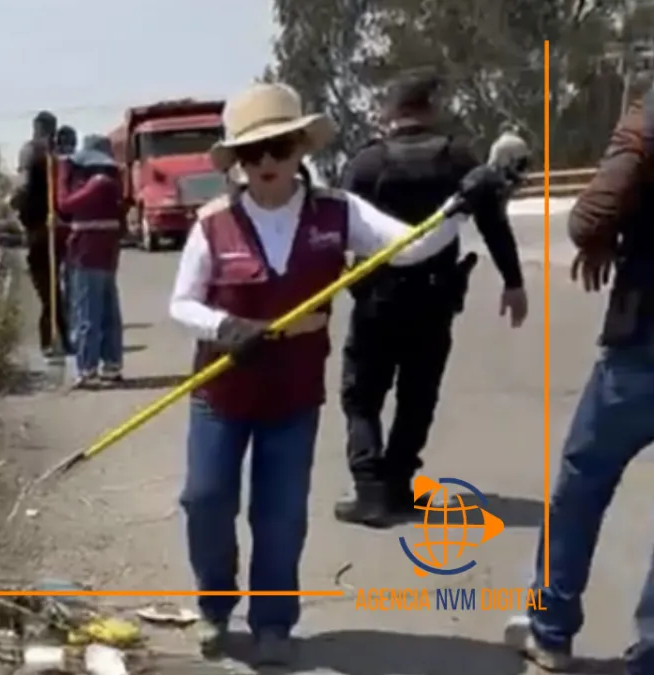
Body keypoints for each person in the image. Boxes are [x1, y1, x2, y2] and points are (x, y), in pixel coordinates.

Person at [168, 82, 504, 664]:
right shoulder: (213, 223)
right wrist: (224, 327)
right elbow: (182, 303)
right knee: (205, 500)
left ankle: (274, 622)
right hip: (221, 393)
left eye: (279, 147)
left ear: (301, 146)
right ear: (238, 163)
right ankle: (215, 605)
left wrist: (460, 207)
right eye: (252, 154)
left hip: (292, 396)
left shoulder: (337, 212)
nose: (267, 163)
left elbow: (411, 247)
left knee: (279, 515)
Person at [333, 69, 529, 527]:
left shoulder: (365, 165)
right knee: (418, 394)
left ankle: (370, 490)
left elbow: (334, 229)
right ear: (429, 109)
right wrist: (513, 281)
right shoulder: (458, 159)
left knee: (362, 396)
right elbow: (493, 223)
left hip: (377, 301)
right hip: (435, 299)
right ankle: (399, 486)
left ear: (391, 112)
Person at [504, 85, 654, 674]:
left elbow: (591, 213)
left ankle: (551, 628)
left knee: (582, 483)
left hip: (644, 341)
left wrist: (597, 241)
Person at [57, 134, 125, 387]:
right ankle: (111, 364)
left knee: (87, 311)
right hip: (104, 254)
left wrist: (63, 174)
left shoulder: (98, 184)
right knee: (107, 311)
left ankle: (87, 367)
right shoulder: (111, 184)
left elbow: (64, 204)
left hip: (87, 254)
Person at [11, 110, 71, 357]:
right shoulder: (53, 155)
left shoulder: (31, 152)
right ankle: (59, 339)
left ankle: (51, 341)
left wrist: (15, 206)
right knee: (53, 288)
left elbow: (23, 187)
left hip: (38, 229)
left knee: (48, 288)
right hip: (53, 229)